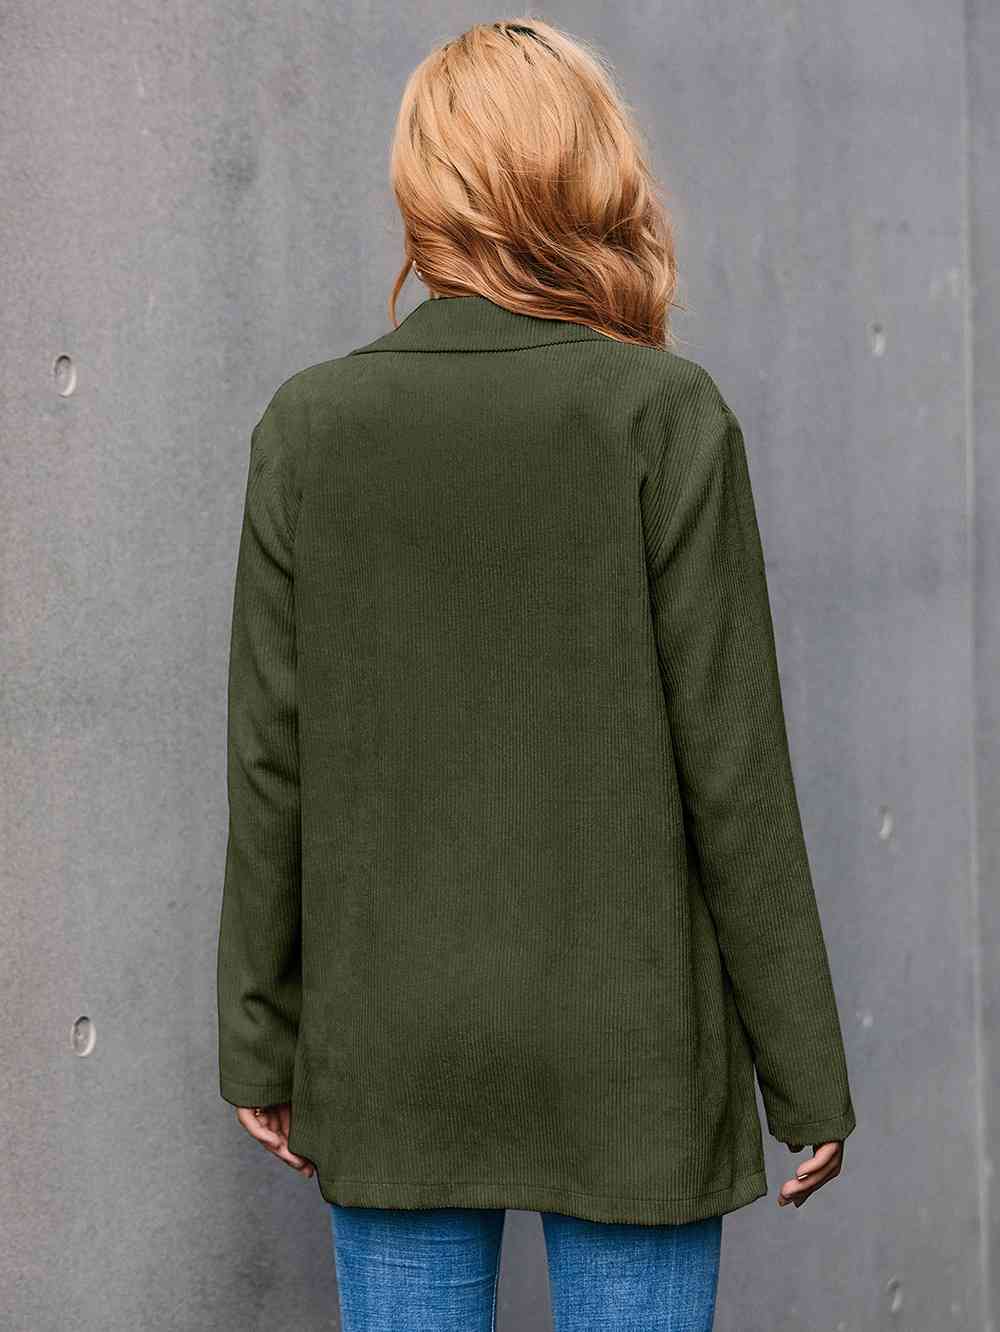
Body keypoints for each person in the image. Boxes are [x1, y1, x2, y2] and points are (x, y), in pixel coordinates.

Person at [215, 17, 857, 1331]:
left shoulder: (308, 428)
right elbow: (736, 774)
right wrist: (804, 1076)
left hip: (393, 1044)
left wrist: (260, 1036)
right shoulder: (666, 418)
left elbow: (272, 761)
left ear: (426, 186)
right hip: (630, 1047)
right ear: (590, 176)